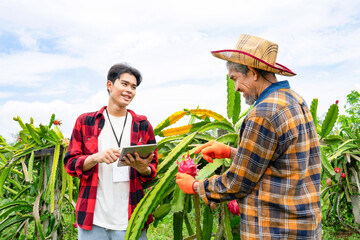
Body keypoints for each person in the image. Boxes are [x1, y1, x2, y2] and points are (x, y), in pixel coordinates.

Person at [176, 34, 321, 239]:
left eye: (235, 78)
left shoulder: (263, 113)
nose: (235, 88)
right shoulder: (294, 100)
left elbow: (237, 182)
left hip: (273, 230)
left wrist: (196, 186)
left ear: (252, 73)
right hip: (304, 226)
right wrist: (230, 152)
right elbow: (280, 161)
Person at [64, 63, 158, 240]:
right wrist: (94, 158)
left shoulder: (143, 125)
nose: (129, 90)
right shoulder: (85, 122)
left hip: (132, 217)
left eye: (134, 87)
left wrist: (142, 167)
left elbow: (152, 171)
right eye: (124, 84)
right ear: (109, 85)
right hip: (93, 218)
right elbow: (70, 164)